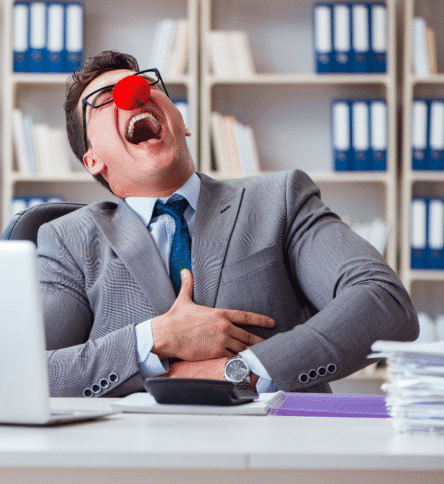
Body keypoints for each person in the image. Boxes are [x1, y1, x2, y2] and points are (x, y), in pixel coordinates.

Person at [37, 50, 418, 398]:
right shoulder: (68, 239)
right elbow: (31, 369)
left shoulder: (279, 199)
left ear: (181, 121)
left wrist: (243, 371)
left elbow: (384, 304)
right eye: (103, 99)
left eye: (147, 85)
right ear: (92, 161)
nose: (133, 94)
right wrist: (152, 340)